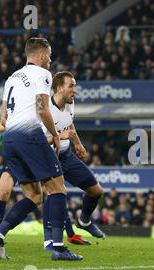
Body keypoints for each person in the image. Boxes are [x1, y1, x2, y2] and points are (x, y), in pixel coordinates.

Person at [0, 38, 82, 261]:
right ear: (40, 56)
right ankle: (58, 247)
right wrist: (55, 135)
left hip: (10, 139)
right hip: (30, 136)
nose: (50, 59)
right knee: (58, 190)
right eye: (49, 55)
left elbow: (3, 117)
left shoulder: (11, 78)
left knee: (35, 196)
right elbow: (42, 109)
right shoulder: (42, 74)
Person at [0, 128, 92, 247]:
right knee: (4, 192)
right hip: (20, 154)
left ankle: (64, 236)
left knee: (50, 193)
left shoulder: (42, 116)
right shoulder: (26, 114)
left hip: (32, 155)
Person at [41, 71, 105, 251]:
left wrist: (77, 143)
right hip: (48, 156)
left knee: (96, 191)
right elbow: (37, 139)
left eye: (75, 86)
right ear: (59, 88)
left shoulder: (70, 103)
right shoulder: (46, 110)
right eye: (72, 86)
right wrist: (60, 136)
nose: (75, 90)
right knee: (54, 194)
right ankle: (49, 240)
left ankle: (84, 221)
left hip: (67, 154)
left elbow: (69, 123)